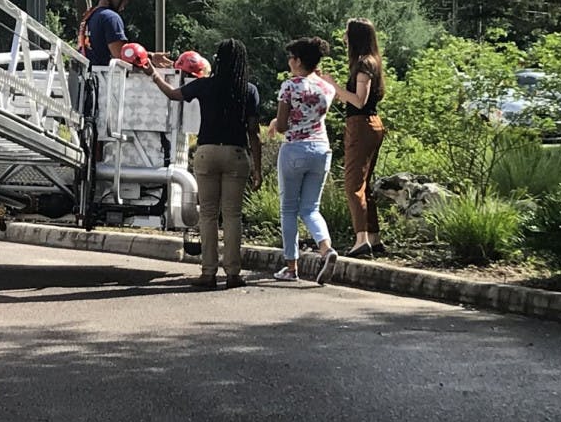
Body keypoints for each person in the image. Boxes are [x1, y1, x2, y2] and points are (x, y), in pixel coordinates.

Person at [144, 38, 262, 290]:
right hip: (236, 154)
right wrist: (258, 168)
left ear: (217, 60)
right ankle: (233, 274)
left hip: (207, 152)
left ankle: (208, 273)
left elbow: (174, 94)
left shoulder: (205, 85)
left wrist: (153, 74)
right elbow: (254, 132)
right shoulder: (249, 90)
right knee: (232, 216)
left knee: (207, 214)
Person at [268, 37, 338, 284]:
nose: (289, 61)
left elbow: (284, 124)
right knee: (311, 208)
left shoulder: (290, 86)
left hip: (295, 149)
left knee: (288, 208)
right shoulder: (327, 88)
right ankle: (326, 249)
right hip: (321, 149)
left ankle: (291, 266)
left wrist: (276, 123)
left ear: (298, 61)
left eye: (291, 57)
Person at [321, 18, 387, 258]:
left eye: (347, 33)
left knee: (352, 186)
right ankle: (373, 237)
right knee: (365, 185)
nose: (344, 38)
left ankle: (361, 240)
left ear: (356, 37)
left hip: (361, 126)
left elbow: (359, 100)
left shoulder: (363, 65)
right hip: (371, 124)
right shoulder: (372, 62)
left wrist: (333, 85)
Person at [77, 0, 169, 67]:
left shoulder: (90, 16)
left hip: (87, 76)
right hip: (105, 80)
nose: (126, 2)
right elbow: (123, 56)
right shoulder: (111, 18)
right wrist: (150, 58)